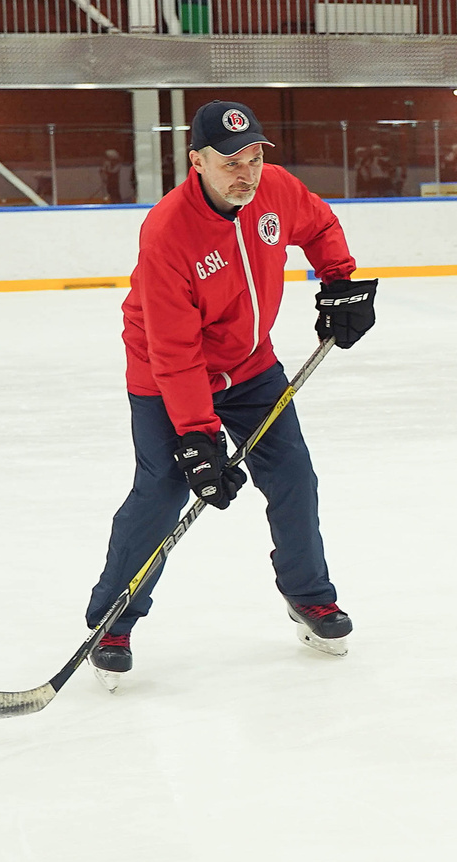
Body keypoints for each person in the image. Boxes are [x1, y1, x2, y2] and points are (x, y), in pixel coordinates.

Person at [85, 100, 380, 686]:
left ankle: (308, 595)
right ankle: (112, 621)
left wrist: (341, 282)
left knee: (293, 474)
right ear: (196, 161)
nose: (246, 172)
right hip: (165, 375)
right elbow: (173, 350)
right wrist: (198, 438)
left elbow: (319, 225)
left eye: (253, 157)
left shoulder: (273, 190)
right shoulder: (168, 231)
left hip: (249, 366)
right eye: (229, 162)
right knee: (163, 491)